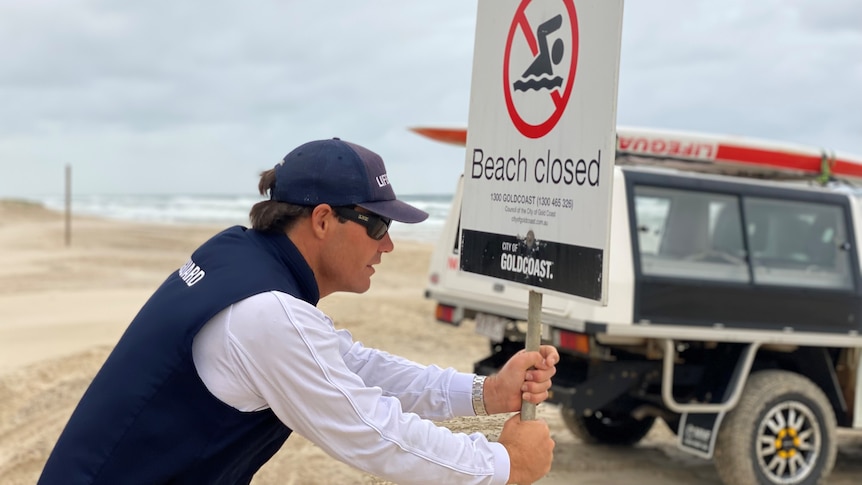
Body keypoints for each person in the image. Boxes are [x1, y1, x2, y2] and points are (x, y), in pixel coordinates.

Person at [39, 137, 558, 485]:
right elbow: (373, 433)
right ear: (325, 220)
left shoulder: (237, 254)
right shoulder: (265, 312)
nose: (388, 246)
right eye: (378, 226)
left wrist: (483, 393)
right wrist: (503, 465)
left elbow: (348, 364)